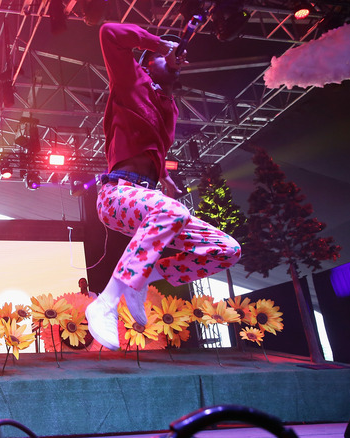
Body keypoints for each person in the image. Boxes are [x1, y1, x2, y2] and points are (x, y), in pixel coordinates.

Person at [85, 23, 241, 350]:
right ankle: (106, 302)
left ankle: (144, 276)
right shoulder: (130, 81)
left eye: (179, 60)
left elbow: (157, 147)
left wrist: (164, 176)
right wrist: (159, 44)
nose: (176, 59)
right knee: (171, 210)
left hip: (147, 199)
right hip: (116, 196)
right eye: (165, 58)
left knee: (226, 250)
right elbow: (109, 32)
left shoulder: (166, 106)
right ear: (145, 63)